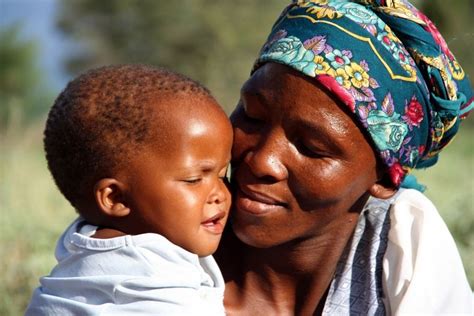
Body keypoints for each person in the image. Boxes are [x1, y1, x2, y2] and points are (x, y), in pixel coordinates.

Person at [216, 0, 473, 315]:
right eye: (252, 116)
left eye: (311, 147)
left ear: (382, 177)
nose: (262, 161)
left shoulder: (402, 243)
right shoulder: (168, 247)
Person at [25, 65, 232, 315]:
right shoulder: (154, 285)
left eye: (223, 175)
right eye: (193, 180)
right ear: (115, 198)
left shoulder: (79, 252)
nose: (221, 193)